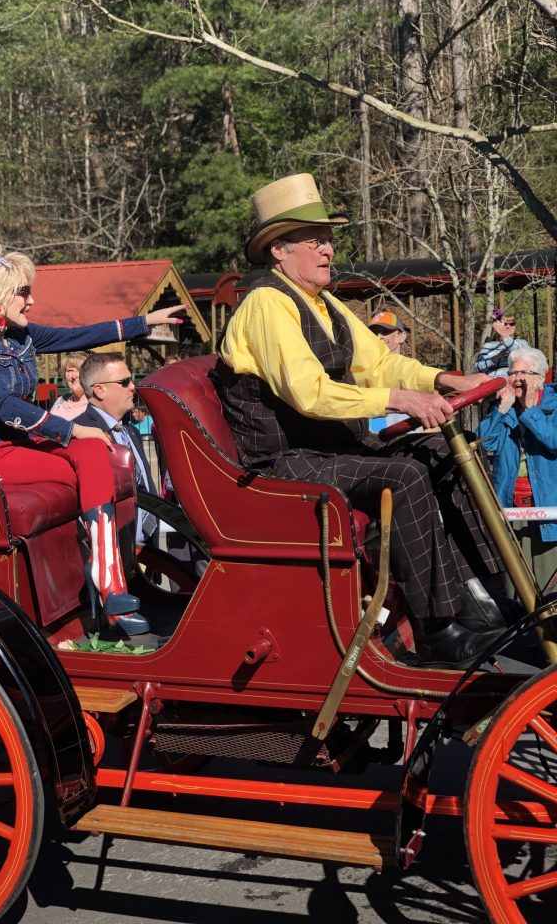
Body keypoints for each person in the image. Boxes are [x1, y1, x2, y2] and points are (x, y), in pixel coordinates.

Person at [211, 171, 507, 668]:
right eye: (313, 240)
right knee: (406, 475)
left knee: (442, 453)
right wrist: (398, 401)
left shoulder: (323, 303)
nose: (327, 250)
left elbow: (381, 363)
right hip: (285, 462)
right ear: (278, 251)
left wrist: (440, 380)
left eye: (328, 239)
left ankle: (489, 593)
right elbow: (309, 394)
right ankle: (437, 631)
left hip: (332, 451)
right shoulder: (265, 303)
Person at [0, 236, 186, 639]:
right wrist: (70, 427)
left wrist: (144, 323)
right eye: (23, 292)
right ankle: (108, 585)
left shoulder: (19, 336)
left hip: (18, 446)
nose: (31, 301)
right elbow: (3, 406)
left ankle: (110, 582)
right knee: (86, 442)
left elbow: (79, 336)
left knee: (93, 451)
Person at [477, 347, 557, 590]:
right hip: (511, 506)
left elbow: (553, 440)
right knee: (516, 584)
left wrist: (531, 410)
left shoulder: (553, 404)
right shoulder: (505, 408)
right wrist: (502, 409)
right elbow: (486, 443)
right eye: (513, 372)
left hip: (548, 506)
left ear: (540, 377)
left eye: (524, 372)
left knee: (548, 583)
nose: (517, 378)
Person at [76, 353, 158, 548]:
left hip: (148, 552)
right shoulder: (80, 434)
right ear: (99, 390)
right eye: (124, 381)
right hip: (109, 554)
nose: (133, 387)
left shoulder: (131, 432)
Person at [368, 312, 411, 433]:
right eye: (374, 332)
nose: (379, 336)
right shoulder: (364, 373)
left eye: (385, 331)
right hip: (375, 440)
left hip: (412, 439)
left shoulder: (414, 371)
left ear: (401, 337)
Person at [475, 310, 528, 378]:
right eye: (505, 324)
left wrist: (504, 335)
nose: (508, 326)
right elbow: (477, 367)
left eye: (512, 324)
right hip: (491, 381)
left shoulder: (521, 343)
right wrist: (494, 359)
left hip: (512, 380)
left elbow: (518, 353)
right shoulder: (488, 346)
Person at [50, 351, 90, 421]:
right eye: (70, 370)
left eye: (79, 370)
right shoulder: (61, 401)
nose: (74, 376)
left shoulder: (95, 406)